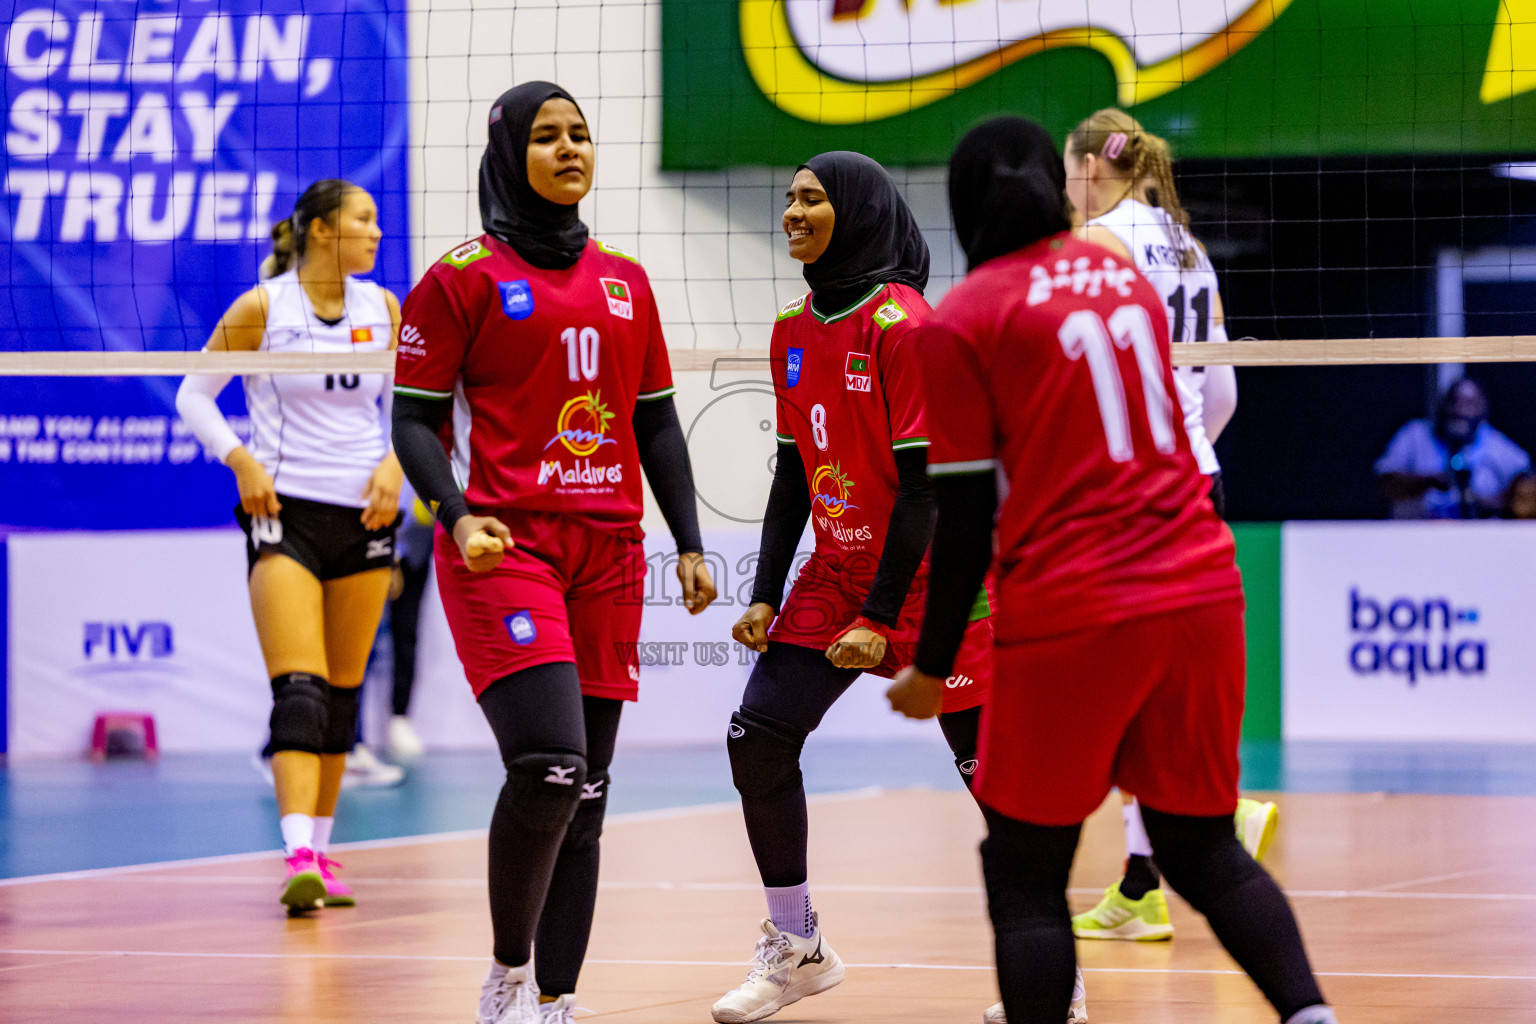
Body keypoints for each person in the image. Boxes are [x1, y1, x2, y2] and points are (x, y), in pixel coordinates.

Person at [889, 116, 1338, 1024]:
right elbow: (1215, 397)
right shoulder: (1127, 278)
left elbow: (966, 515)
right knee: (1201, 847)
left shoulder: (964, 319)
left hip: (1079, 601)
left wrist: (934, 666)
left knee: (1022, 870)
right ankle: (1310, 1016)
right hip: (1203, 580)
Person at [391, 82, 716, 1024]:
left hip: (610, 550)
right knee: (549, 763)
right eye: (547, 136)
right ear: (507, 154)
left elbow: (656, 424)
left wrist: (691, 543)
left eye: (581, 133)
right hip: (505, 545)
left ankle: (559, 1002)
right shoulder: (462, 277)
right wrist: (453, 514)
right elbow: (414, 421)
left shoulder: (627, 279)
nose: (570, 148)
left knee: (592, 793)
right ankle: (504, 979)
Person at [713, 152, 1049, 1024]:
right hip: (837, 568)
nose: (791, 211)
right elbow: (792, 470)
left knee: (998, 788)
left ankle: (1056, 979)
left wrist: (878, 617)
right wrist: (764, 591)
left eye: (811, 199)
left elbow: (929, 491)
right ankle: (798, 945)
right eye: (787, 196)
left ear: (856, 211)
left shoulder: (906, 325)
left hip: (939, 579)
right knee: (757, 736)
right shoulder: (792, 326)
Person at [1062, 107, 1278, 943]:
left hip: (1130, 488)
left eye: (1066, 170)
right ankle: (1144, 884)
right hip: (1198, 478)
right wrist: (1192, 448)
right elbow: (1221, 390)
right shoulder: (1189, 246)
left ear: (1087, 166)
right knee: (1157, 693)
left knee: (1106, 687)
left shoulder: (1099, 243)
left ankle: (1214, 820)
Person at [175, 179, 403, 914]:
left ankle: (325, 854)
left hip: (365, 518)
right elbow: (191, 395)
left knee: (341, 696)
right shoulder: (264, 307)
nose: (375, 232)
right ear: (320, 230)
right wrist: (238, 461)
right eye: (362, 220)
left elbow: (411, 407)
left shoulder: (383, 307)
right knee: (299, 693)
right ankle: (297, 850)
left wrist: (397, 468)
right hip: (286, 512)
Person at [1376, 377, 1529, 518]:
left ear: (1483, 411)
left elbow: (1524, 482)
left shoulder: (1494, 442)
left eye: (1468, 404)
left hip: (1480, 536)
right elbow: (1386, 481)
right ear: (1442, 406)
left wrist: (1489, 503)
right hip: (1418, 534)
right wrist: (1428, 481)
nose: (1459, 411)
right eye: (1454, 401)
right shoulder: (1417, 434)